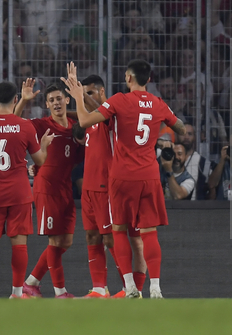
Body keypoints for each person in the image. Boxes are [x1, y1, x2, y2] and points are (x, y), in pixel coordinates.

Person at [63, 60, 186, 299]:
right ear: (148, 79)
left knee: (118, 230)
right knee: (149, 233)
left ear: (128, 78)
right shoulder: (158, 104)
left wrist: (78, 96)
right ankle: (156, 289)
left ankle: (130, 286)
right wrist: (162, 132)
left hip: (122, 176)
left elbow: (86, 121)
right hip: (150, 176)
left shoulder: (120, 100)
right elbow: (180, 128)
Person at [0, 81, 54, 298]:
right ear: (16, 100)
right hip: (20, 192)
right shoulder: (25, 126)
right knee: (19, 244)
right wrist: (44, 145)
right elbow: (40, 160)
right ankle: (16, 292)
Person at [14, 80, 84, 299]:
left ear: (67, 100)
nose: (56, 103)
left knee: (66, 241)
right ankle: (60, 293)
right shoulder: (42, 125)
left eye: (59, 99)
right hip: (47, 189)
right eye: (51, 100)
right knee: (54, 242)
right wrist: (24, 100)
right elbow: (14, 124)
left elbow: (73, 160)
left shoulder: (75, 127)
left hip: (65, 190)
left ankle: (31, 283)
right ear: (46, 104)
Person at [175, 123, 215, 200]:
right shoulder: (169, 159)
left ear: (194, 137)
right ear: (177, 136)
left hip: (195, 208)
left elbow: (212, 189)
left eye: (190, 134)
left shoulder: (203, 163)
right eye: (182, 133)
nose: (186, 137)